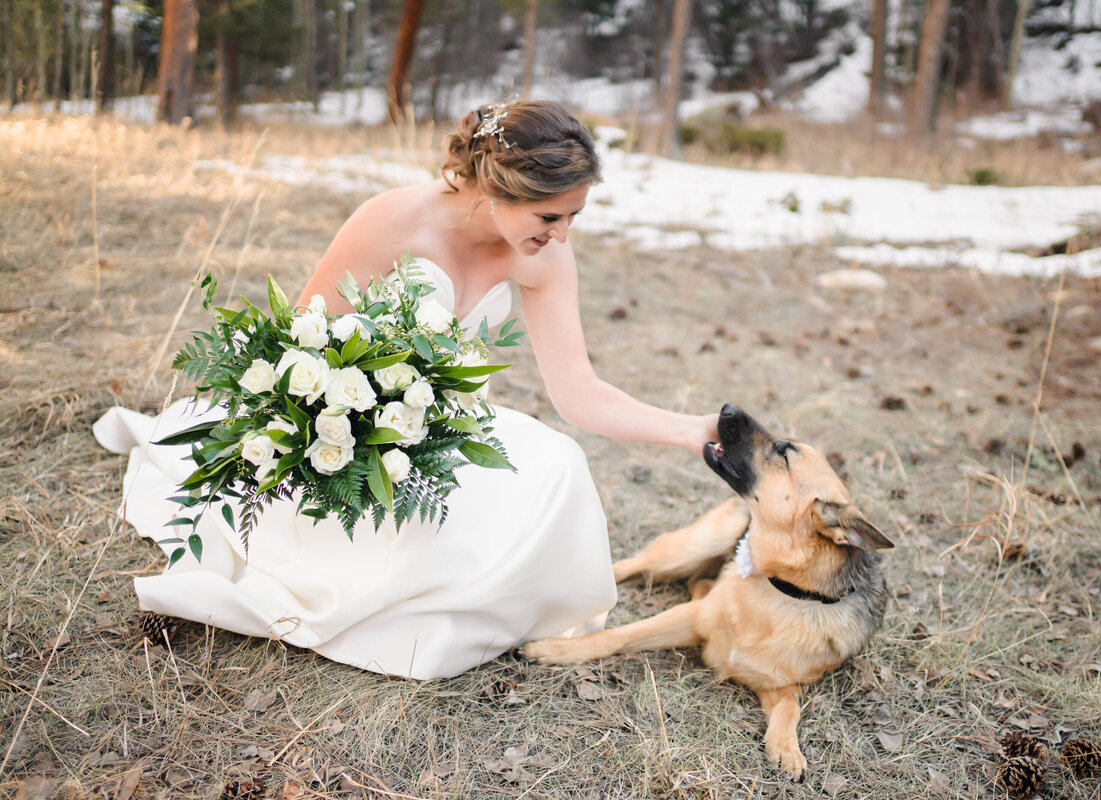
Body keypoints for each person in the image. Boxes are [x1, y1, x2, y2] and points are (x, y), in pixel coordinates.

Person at [94, 98, 718, 679]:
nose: (562, 235)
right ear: (498, 187)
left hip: (448, 430)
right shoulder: (394, 219)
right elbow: (301, 339)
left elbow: (578, 391)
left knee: (560, 464)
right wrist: (342, 415)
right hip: (348, 432)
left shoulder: (545, 257)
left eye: (574, 217)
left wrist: (688, 431)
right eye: (550, 216)